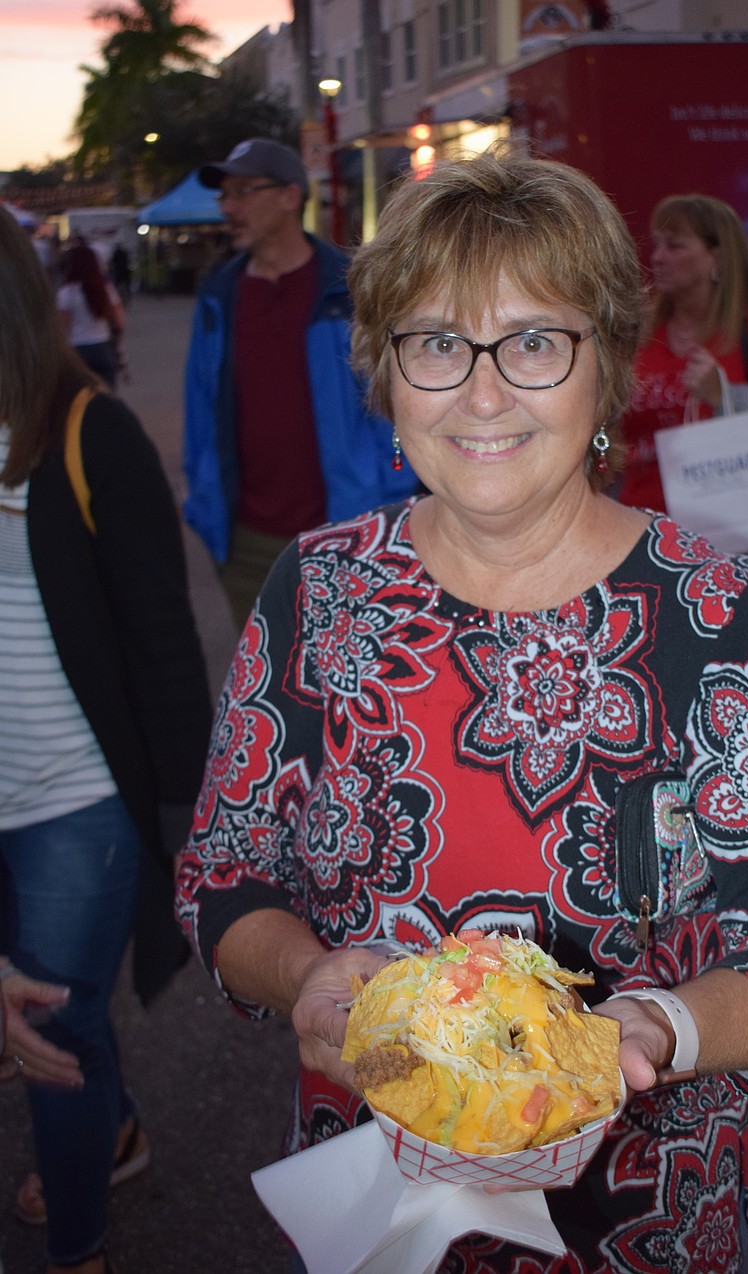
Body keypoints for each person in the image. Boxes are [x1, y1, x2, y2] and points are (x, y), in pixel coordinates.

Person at [175, 146, 748, 1273]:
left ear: (605, 372)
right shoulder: (320, 586)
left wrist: (657, 1027)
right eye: (438, 342)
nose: (481, 392)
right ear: (385, 376)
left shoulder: (708, 608)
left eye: (533, 340)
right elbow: (222, 871)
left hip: (637, 1212)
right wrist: (303, 975)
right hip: (377, 1195)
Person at [0, 205, 213, 1274]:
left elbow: (165, 642)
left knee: (50, 1026)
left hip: (73, 798)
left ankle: (79, 1245)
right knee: (45, 1006)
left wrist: (183, 810)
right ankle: (117, 1123)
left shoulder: (87, 433)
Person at [183, 137, 419, 631]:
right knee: (266, 692)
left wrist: (391, 501)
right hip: (246, 542)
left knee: (352, 688)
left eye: (244, 191)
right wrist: (205, 504)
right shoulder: (219, 296)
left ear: (291, 197)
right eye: (225, 195)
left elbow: (397, 405)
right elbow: (199, 410)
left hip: (348, 531)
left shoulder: (351, 288)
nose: (230, 207)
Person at [618, 193, 748, 514]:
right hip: (641, 521)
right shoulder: (645, 328)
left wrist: (725, 396)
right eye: (657, 243)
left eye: (675, 246)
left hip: (728, 524)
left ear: (717, 258)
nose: (658, 257)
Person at [56, 240, 126, 390]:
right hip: (103, 346)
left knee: (83, 398)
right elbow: (118, 320)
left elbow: (63, 328)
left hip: (78, 350)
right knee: (108, 396)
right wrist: (117, 341)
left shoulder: (67, 292)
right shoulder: (105, 289)